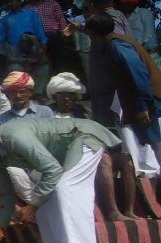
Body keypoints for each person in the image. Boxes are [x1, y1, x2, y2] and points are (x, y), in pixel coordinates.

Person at [87, 13, 161, 218]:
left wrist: (142, 105)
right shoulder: (120, 41)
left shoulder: (117, 46)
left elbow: (137, 72)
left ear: (93, 34)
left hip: (154, 107)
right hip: (154, 105)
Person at [47, 72, 140, 221]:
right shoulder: (48, 115)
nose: (67, 98)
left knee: (126, 159)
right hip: (67, 158)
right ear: (54, 96)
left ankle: (130, 210)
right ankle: (113, 212)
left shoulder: (85, 112)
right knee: (104, 160)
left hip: (92, 150)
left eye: (70, 94)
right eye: (62, 94)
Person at [25, 0, 69, 75]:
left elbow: (61, 19)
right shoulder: (27, 8)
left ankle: (61, 86)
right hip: (36, 40)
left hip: (53, 36)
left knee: (59, 63)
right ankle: (44, 87)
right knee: (40, 65)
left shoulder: (53, 4)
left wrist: (65, 35)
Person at [0, 0, 47, 65]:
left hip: (33, 48)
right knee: (17, 74)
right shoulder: (5, 19)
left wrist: (43, 44)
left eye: (11, 1)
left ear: (19, 2)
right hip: (15, 52)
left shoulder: (30, 14)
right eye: (8, 2)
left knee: (39, 70)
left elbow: (39, 30)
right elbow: (1, 36)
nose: (9, 4)